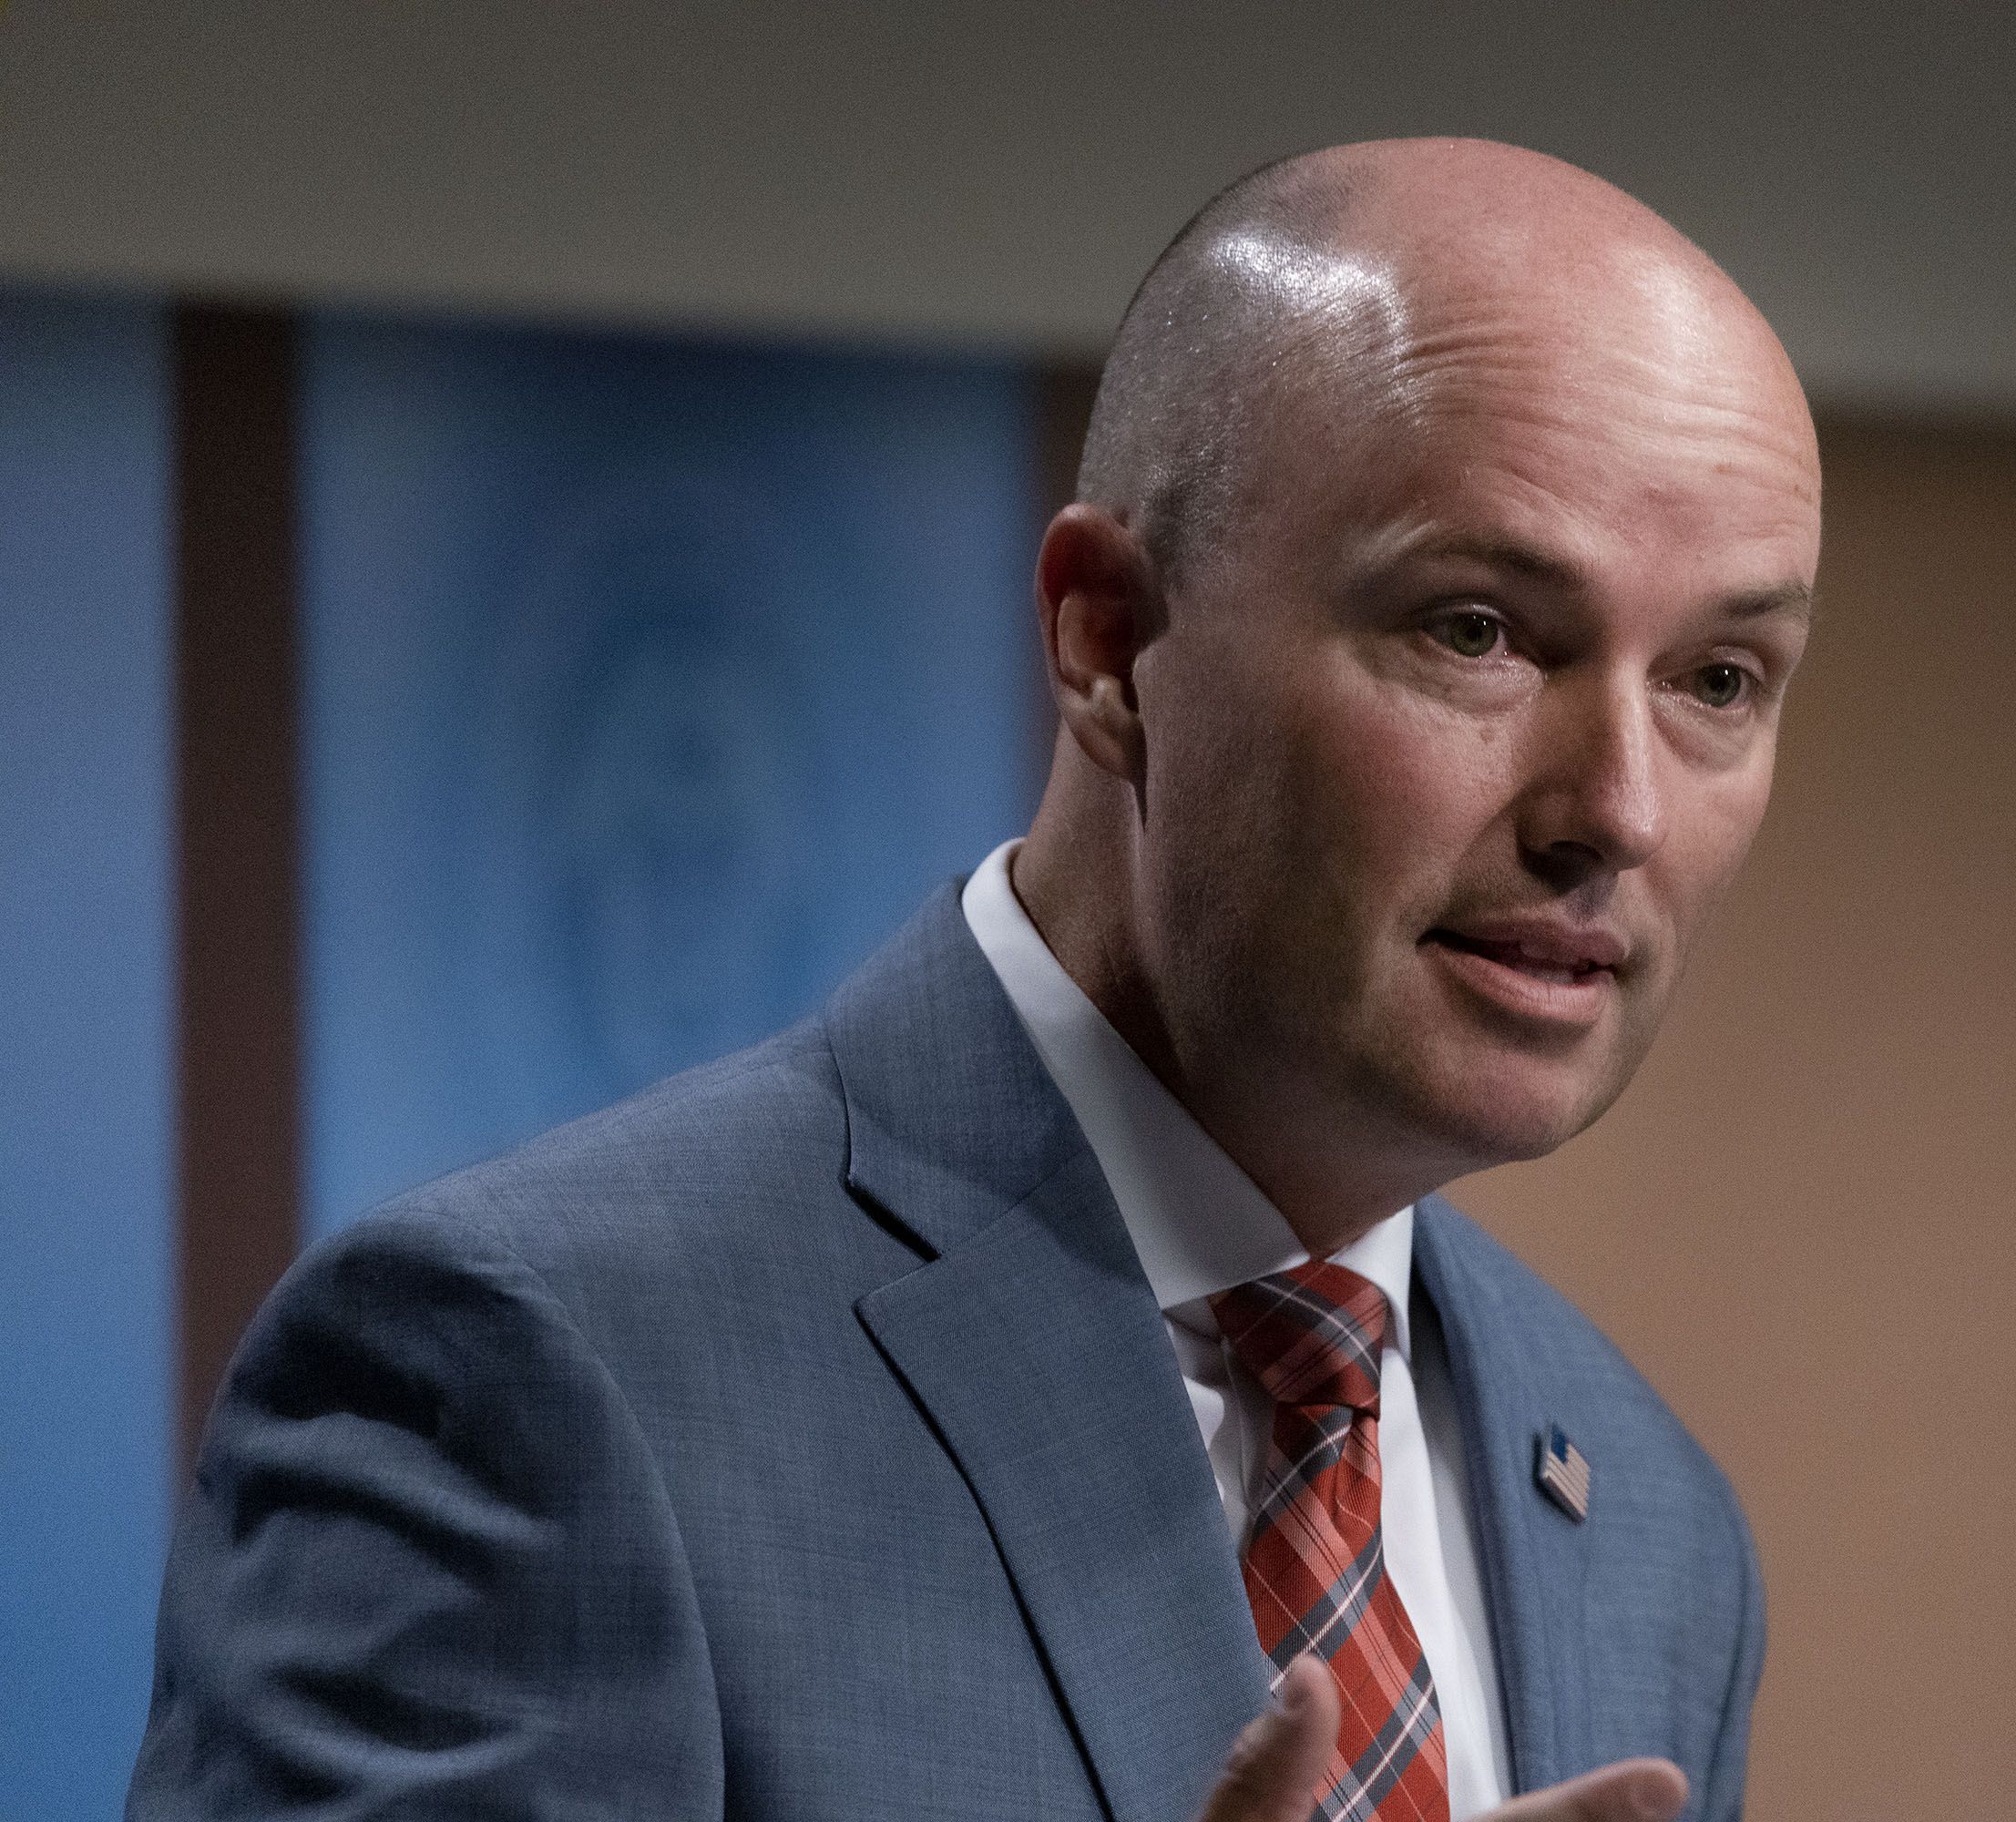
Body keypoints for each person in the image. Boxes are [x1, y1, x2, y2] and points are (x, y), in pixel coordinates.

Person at [128, 137, 1823, 1822]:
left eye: (1721, 680)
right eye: (1477, 631)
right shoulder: (522, 1373)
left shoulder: (1649, 1519)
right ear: (1108, 641)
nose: (1616, 810)